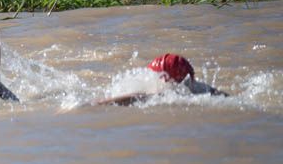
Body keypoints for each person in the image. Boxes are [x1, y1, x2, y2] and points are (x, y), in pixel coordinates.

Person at [91, 53, 226, 105]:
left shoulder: (167, 93)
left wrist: (98, 104)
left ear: (165, 78)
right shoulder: (203, 89)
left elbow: (136, 97)